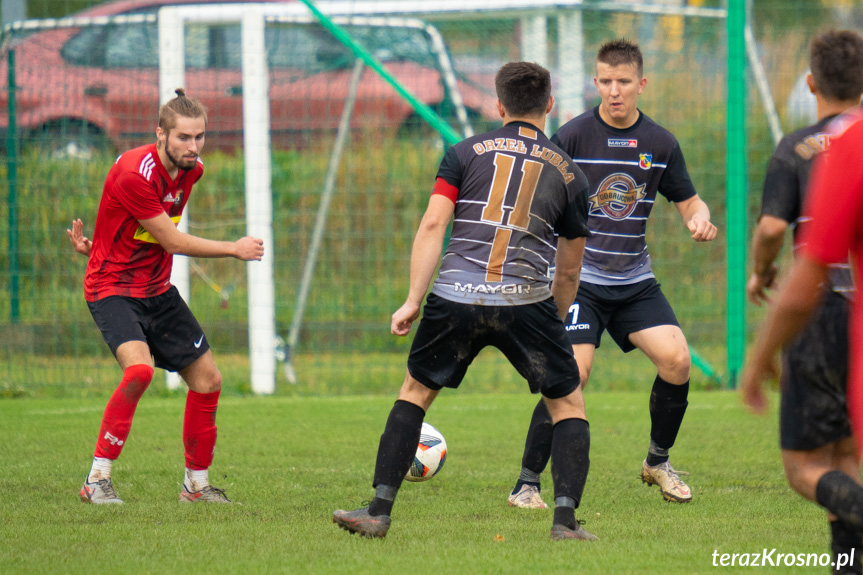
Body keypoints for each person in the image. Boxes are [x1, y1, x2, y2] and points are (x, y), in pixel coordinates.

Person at [332, 62, 596, 541]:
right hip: (526, 299)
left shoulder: (463, 152)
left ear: (499, 106)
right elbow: (571, 267)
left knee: (414, 394)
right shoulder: (571, 173)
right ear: (550, 105)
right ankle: (565, 524)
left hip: (455, 294)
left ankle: (377, 512)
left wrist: (413, 299)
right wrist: (553, 320)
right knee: (568, 404)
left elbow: (433, 225)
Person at [507, 39, 717, 510]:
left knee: (678, 361)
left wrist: (697, 218)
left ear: (641, 84)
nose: (614, 91)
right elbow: (538, 199)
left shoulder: (660, 143)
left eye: (624, 82)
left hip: (635, 281)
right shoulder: (573, 136)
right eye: (605, 81)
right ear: (596, 82)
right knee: (572, 375)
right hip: (581, 281)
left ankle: (657, 462)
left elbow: (689, 199)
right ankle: (526, 484)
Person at [66, 88, 264, 505]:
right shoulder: (134, 173)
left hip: (156, 288)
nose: (193, 147)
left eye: (199, 137)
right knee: (139, 372)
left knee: (208, 381)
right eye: (183, 138)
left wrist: (100, 242)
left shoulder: (192, 171)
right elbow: (170, 239)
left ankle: (196, 486)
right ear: (160, 134)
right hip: (113, 288)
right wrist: (234, 248)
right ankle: (96, 480)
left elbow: (137, 225)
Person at [742, 30, 863, 574]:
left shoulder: (797, 146)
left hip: (818, 311)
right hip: (855, 308)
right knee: (845, 460)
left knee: (804, 469)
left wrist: (761, 271)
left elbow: (771, 228)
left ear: (811, 83)